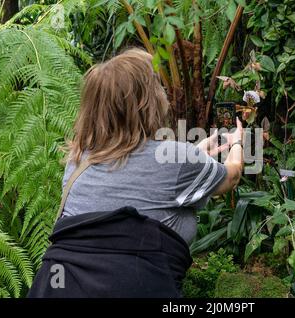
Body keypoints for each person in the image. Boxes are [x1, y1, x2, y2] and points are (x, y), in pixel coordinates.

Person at [27, 48, 244, 298]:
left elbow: (136, 177)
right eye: (157, 85)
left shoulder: (78, 160)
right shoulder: (177, 160)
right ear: (146, 102)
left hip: (58, 288)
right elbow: (232, 175)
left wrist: (193, 154)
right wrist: (237, 141)